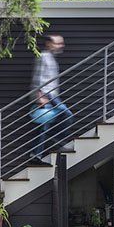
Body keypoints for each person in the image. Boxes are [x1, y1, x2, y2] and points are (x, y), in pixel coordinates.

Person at [31, 34, 74, 163]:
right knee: (66, 115)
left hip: (52, 95)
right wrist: (39, 95)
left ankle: (35, 155)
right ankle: (57, 141)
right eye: (57, 43)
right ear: (49, 44)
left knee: (43, 125)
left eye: (61, 43)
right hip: (46, 94)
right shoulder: (44, 57)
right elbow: (38, 77)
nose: (60, 46)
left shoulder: (51, 58)